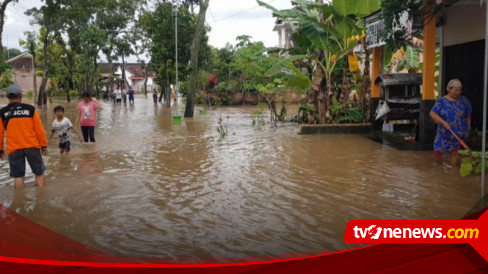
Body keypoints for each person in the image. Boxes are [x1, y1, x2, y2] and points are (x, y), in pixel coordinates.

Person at [0, 84, 48, 189]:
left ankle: (19, 203)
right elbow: (39, 130)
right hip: (32, 146)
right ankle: (41, 200)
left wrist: (0, 149)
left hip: (14, 148)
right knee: (39, 173)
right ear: (20, 96)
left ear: (8, 97)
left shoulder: (2, 112)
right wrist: (44, 145)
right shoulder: (31, 109)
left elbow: (0, 133)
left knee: (18, 176)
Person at [430, 79, 472, 167]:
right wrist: (443, 123)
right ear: (448, 89)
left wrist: (468, 127)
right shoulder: (441, 101)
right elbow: (432, 113)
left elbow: (468, 115)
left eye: (460, 90)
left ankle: (453, 173)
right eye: (455, 90)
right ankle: (439, 169)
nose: (458, 92)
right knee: (438, 152)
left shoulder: (464, 100)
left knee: (455, 153)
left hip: (457, 134)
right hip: (443, 134)